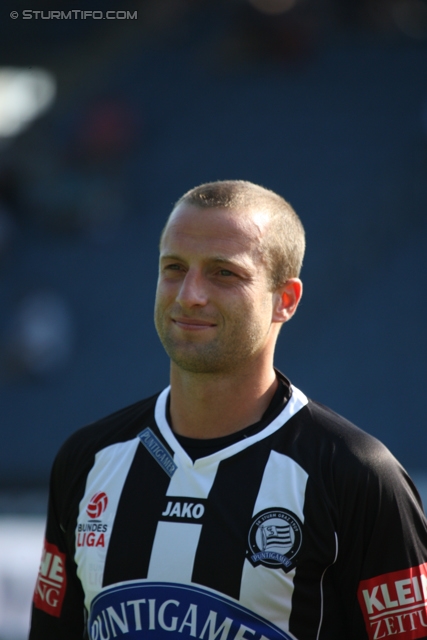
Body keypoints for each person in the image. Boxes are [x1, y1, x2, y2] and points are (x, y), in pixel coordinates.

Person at [29, 180, 427, 640]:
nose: (189, 295)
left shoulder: (356, 476)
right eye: (174, 268)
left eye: (224, 273)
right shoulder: (88, 459)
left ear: (286, 300)